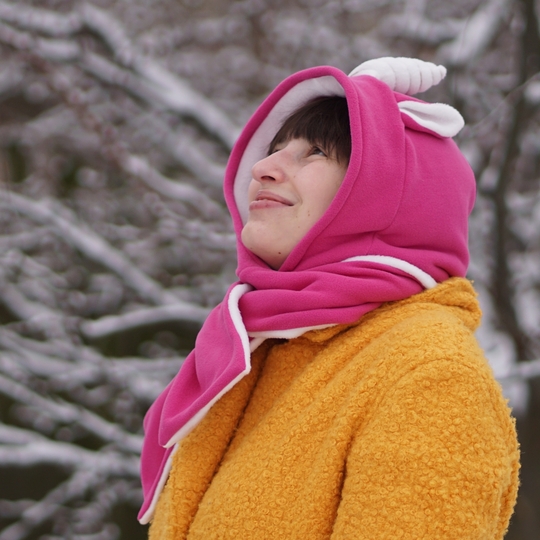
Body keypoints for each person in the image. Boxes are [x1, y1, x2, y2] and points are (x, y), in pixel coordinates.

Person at [138, 57, 520, 539]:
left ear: (386, 192)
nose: (262, 168)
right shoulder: (259, 353)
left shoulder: (430, 375)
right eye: (274, 150)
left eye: (315, 151)